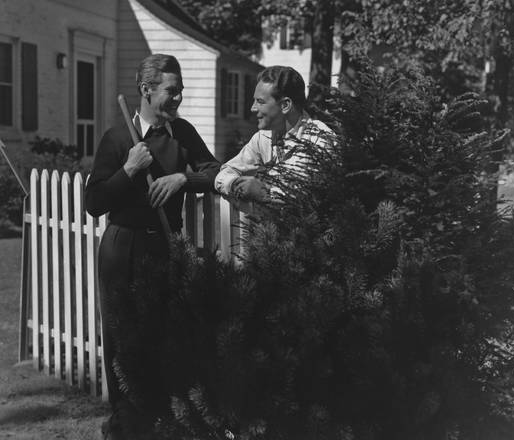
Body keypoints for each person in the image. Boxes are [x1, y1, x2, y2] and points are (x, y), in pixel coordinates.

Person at [85, 53, 219, 439]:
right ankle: (124, 426)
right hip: (122, 248)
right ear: (146, 90)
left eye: (180, 91)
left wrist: (182, 179)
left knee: (163, 337)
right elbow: (94, 202)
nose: (178, 98)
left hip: (165, 245)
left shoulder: (183, 134)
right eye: (171, 91)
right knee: (121, 341)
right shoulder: (117, 138)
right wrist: (129, 169)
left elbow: (215, 172)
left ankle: (158, 422)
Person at [214, 65, 334, 207]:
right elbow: (224, 173)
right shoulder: (263, 137)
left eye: (260, 102)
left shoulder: (320, 140)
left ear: (285, 105)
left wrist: (265, 193)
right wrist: (235, 184)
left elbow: (311, 196)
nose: (252, 108)